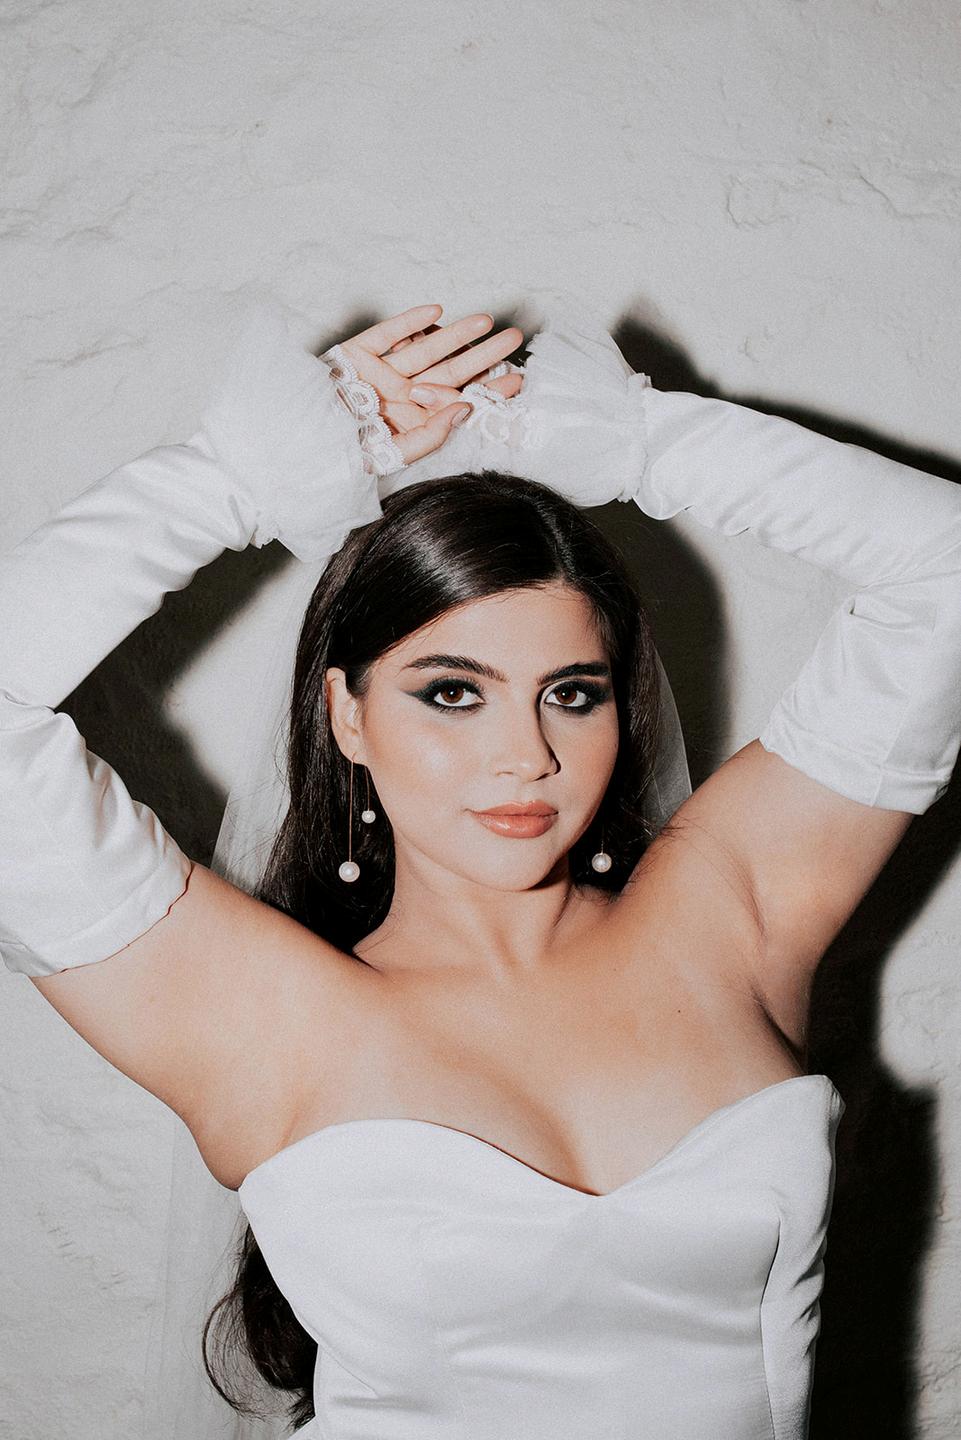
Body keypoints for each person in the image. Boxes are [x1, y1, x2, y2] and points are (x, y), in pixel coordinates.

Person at [1, 294, 959, 1440]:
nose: (527, 756)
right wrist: (230, 478)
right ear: (347, 715)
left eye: (572, 694)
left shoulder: (729, 922)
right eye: (453, 692)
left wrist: (643, 442)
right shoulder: (261, 1017)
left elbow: (942, 572)